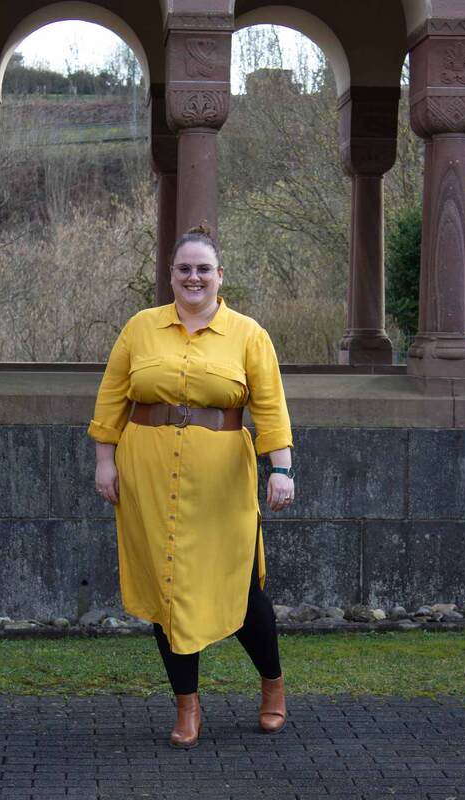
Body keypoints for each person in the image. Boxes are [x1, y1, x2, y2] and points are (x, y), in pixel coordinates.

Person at [87, 222, 294, 749]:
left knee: (241, 587)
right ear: (171, 274)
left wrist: (282, 468)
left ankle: (272, 685)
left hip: (222, 480)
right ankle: (187, 706)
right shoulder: (140, 328)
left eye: (204, 269)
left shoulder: (249, 334)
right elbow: (112, 397)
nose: (193, 277)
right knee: (167, 585)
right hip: (148, 474)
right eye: (185, 269)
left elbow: (270, 406)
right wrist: (105, 461)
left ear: (220, 275)